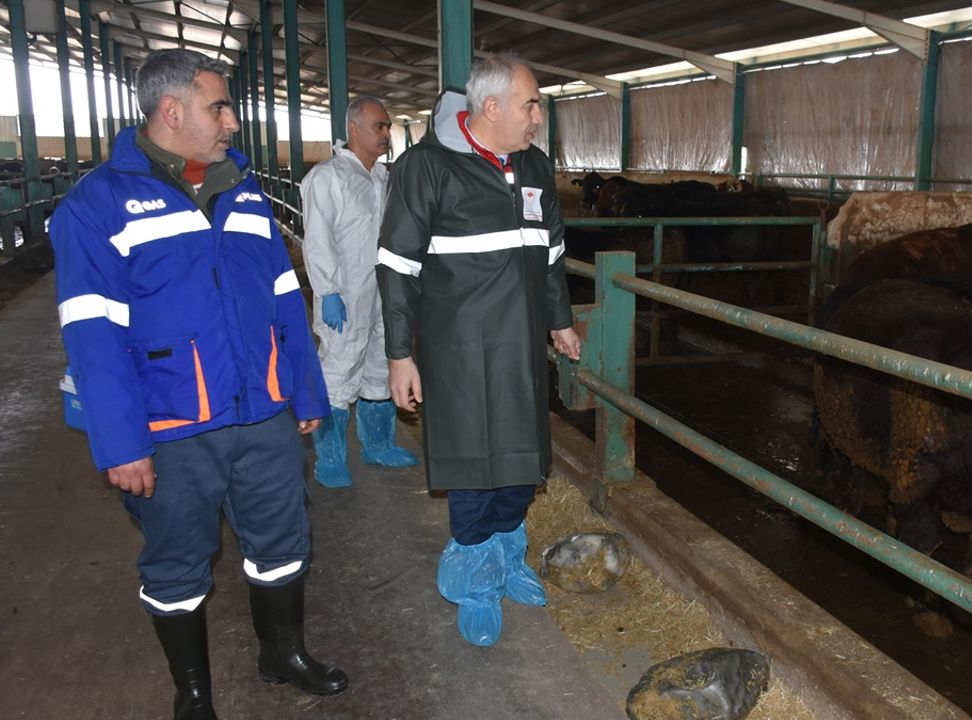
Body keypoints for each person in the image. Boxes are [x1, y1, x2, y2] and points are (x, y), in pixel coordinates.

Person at [50, 49, 348, 719]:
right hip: (171, 425)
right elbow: (91, 334)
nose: (232, 122)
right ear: (172, 110)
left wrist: (304, 391)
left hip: (261, 413)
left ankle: (283, 653)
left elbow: (283, 295)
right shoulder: (98, 205)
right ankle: (193, 694)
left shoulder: (241, 189)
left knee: (283, 542)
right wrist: (121, 443)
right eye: (220, 107)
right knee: (177, 563)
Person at [377, 54, 582, 648]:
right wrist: (399, 354)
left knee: (521, 461)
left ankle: (506, 556)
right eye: (530, 105)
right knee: (472, 465)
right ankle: (473, 581)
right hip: (458, 350)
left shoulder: (536, 166)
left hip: (519, 345)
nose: (538, 117)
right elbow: (396, 265)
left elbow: (550, 254)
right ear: (490, 108)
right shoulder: (427, 167)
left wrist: (561, 321)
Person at [301, 96, 419, 488]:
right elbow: (317, 240)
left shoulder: (384, 177)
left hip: (383, 292)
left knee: (380, 367)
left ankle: (379, 444)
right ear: (353, 129)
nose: (386, 133)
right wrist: (328, 291)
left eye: (388, 127)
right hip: (345, 294)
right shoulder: (327, 178)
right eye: (379, 126)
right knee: (339, 370)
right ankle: (331, 458)